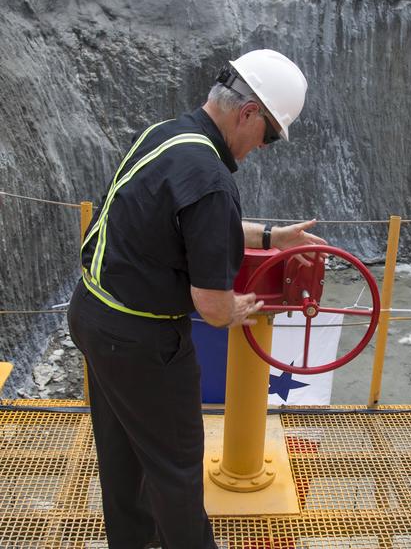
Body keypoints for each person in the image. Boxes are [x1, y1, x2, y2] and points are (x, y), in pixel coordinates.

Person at [67, 49, 325, 549]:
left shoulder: (165, 135)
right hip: (145, 344)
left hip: (94, 317)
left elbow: (185, 221)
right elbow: (211, 305)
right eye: (269, 136)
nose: (262, 148)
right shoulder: (211, 179)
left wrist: (274, 237)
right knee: (176, 469)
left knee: (121, 452)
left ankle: (131, 541)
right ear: (249, 113)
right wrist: (242, 309)